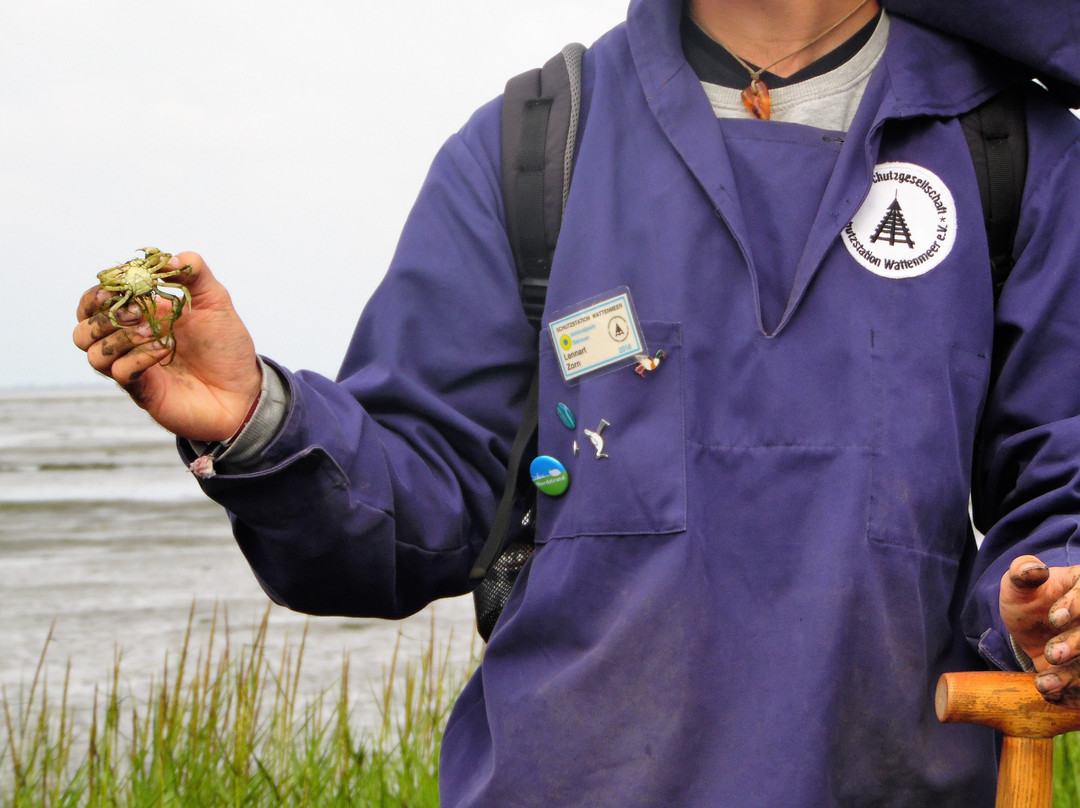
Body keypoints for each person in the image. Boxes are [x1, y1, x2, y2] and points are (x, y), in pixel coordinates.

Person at [74, 0, 1080, 804]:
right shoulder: (532, 145)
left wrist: (1050, 605)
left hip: (896, 777)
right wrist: (260, 418)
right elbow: (413, 520)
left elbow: (1062, 487)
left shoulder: (1015, 155)